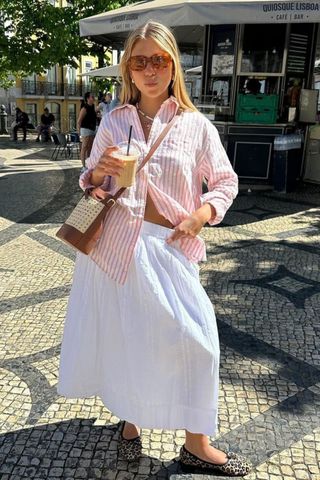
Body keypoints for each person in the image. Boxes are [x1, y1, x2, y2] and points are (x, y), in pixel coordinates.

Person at [57, 21, 252, 477]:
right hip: (115, 245)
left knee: (198, 342)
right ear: (128, 68)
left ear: (173, 66)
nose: (149, 69)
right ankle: (130, 425)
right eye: (139, 60)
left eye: (158, 60)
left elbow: (225, 182)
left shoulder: (196, 126)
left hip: (168, 248)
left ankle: (196, 443)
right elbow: (91, 181)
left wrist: (200, 216)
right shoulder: (114, 120)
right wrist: (99, 169)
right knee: (129, 339)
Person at [77, 92, 97, 168]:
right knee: (84, 147)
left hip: (92, 130)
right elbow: (79, 121)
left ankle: (88, 165)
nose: (94, 98)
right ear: (88, 98)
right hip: (85, 130)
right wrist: (79, 134)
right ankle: (83, 166)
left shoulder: (93, 107)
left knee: (90, 148)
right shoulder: (85, 108)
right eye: (92, 96)